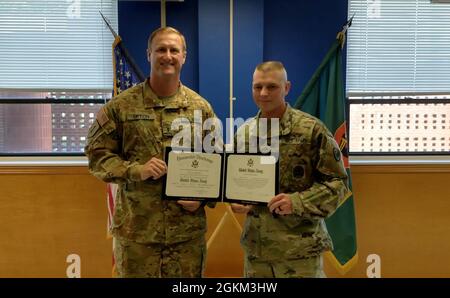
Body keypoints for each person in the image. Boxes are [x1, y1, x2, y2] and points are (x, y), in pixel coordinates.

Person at [85, 27, 217, 277]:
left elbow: (215, 164)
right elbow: (97, 156)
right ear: (149, 54)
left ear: (184, 56)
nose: (167, 55)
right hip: (137, 235)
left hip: (185, 237)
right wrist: (136, 170)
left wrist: (203, 198)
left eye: (173, 50)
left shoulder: (201, 109)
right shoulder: (120, 107)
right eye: (161, 49)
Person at [231, 61, 349, 278]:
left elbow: (339, 184)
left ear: (286, 88)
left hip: (299, 252)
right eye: (258, 87)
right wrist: (237, 200)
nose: (264, 93)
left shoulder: (312, 130)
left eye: (272, 87)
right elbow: (238, 183)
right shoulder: (244, 134)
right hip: (257, 252)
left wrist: (297, 202)